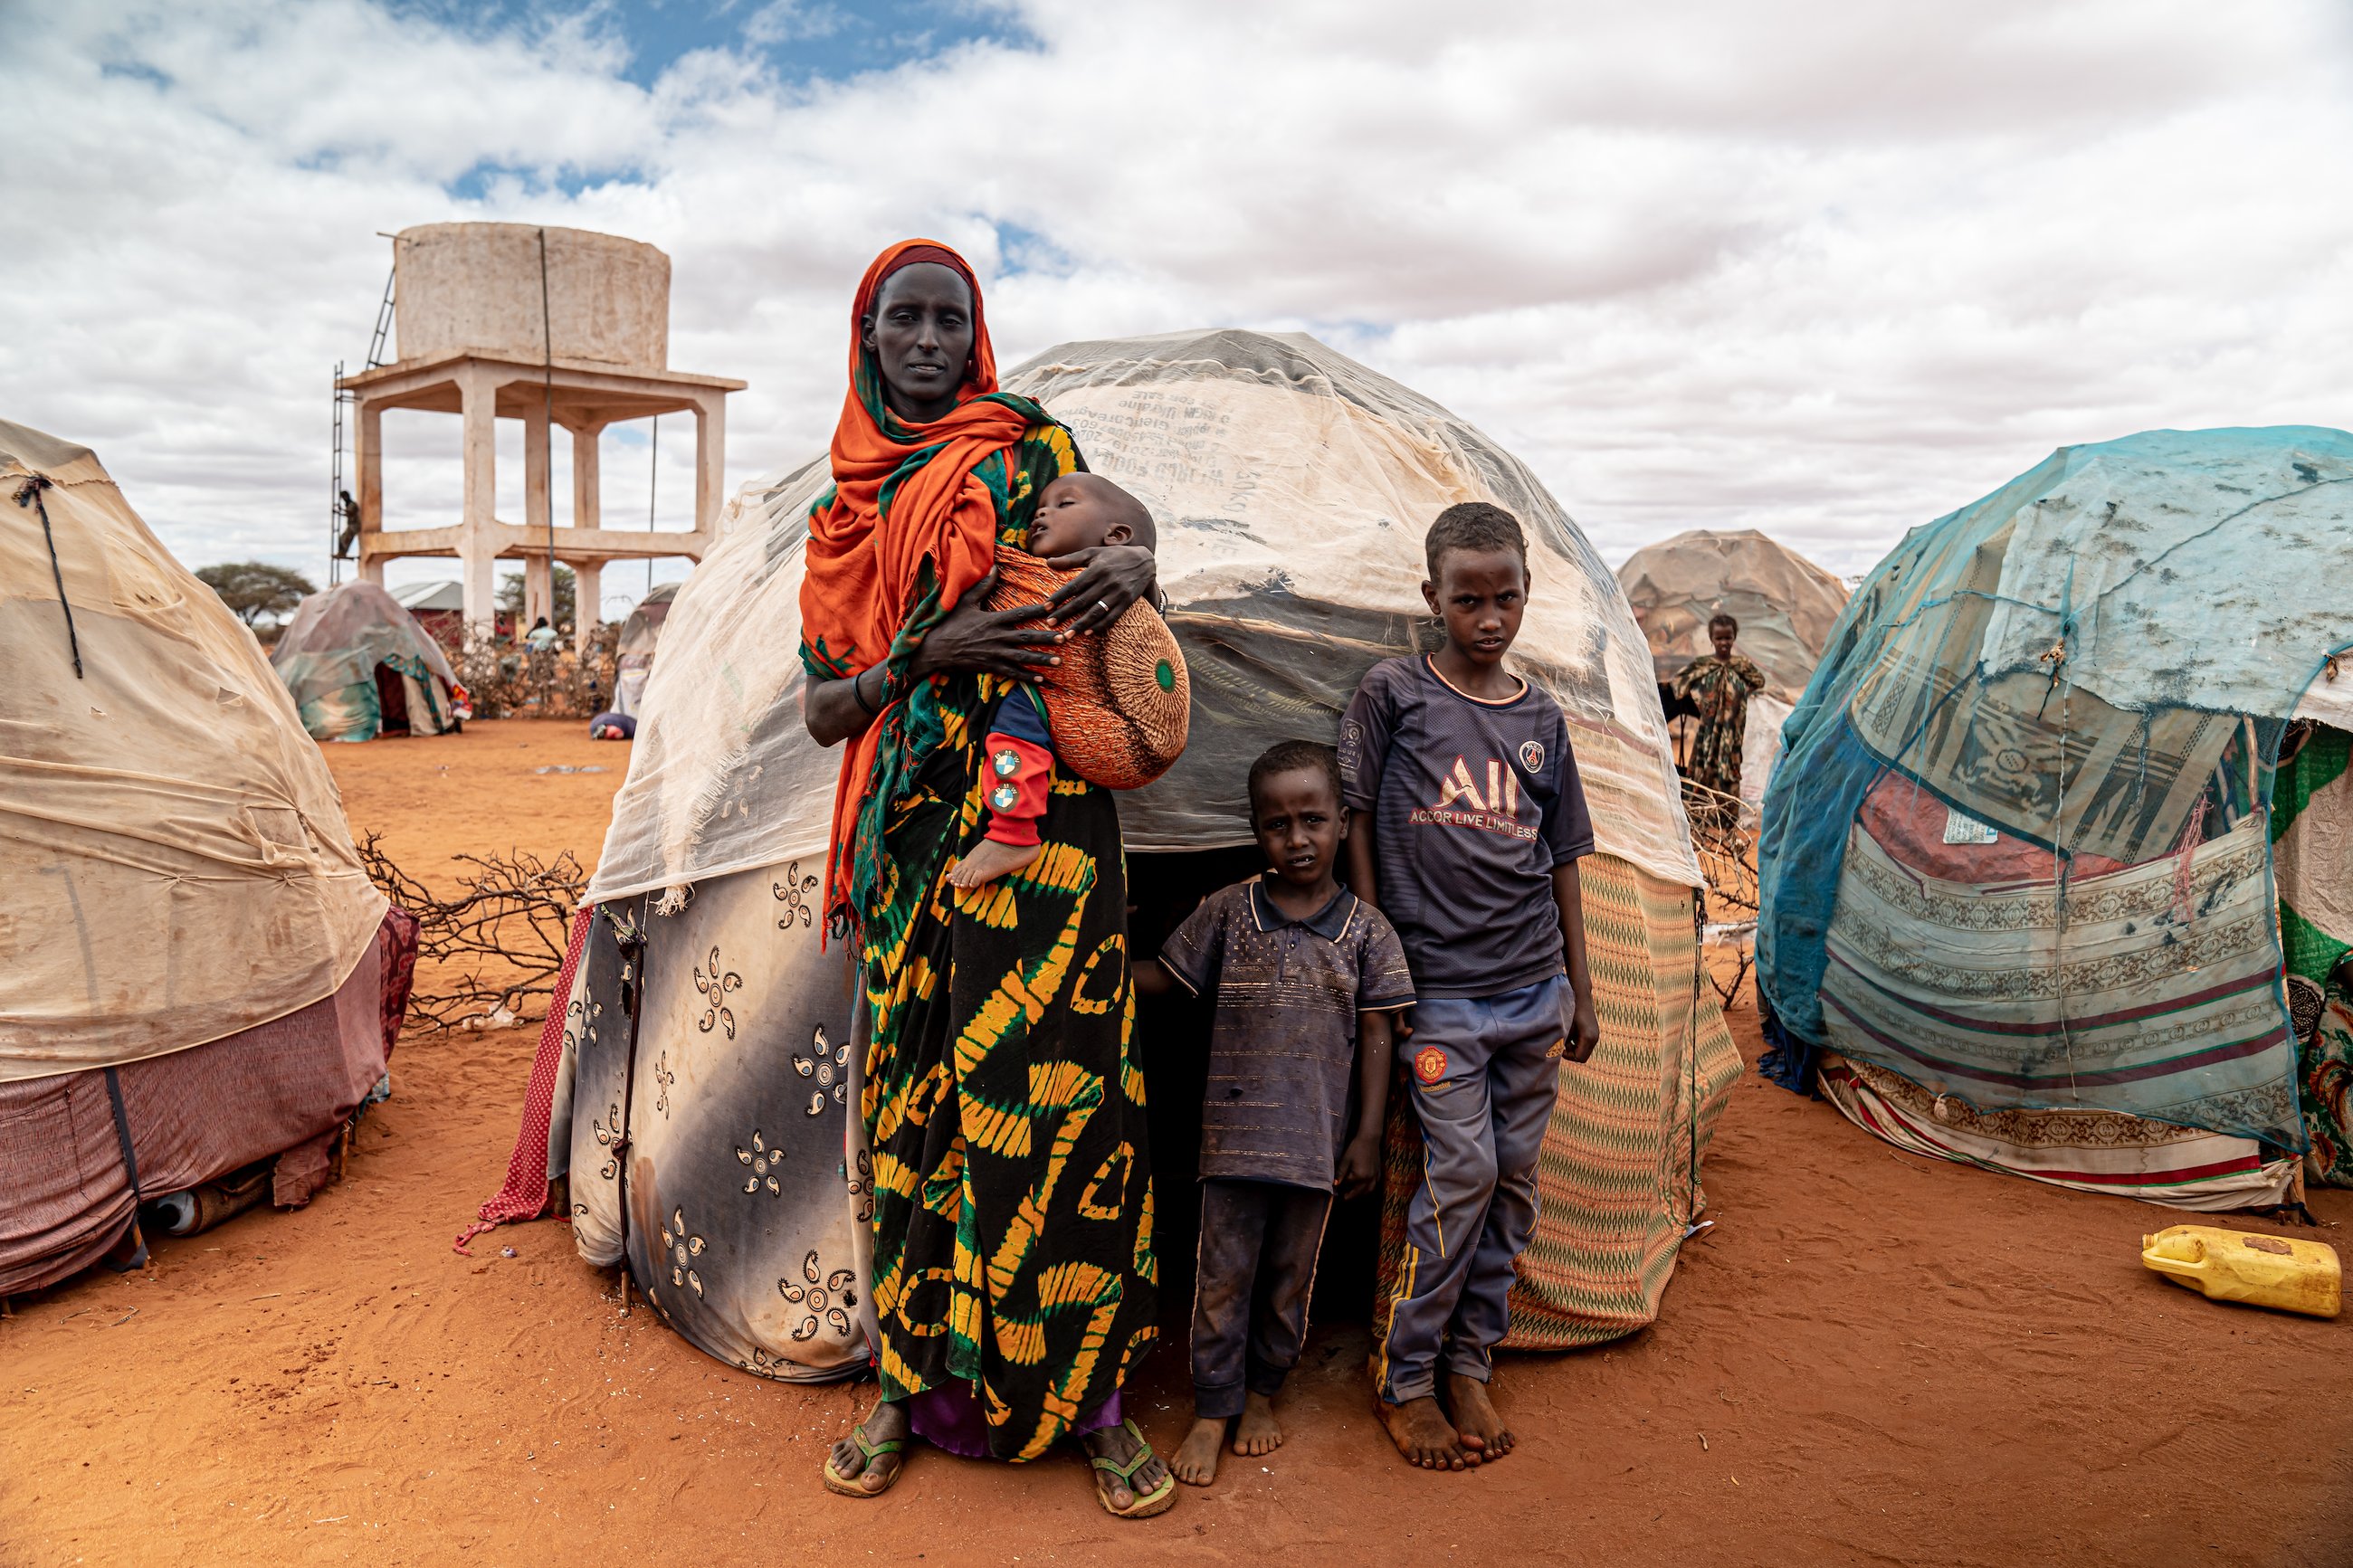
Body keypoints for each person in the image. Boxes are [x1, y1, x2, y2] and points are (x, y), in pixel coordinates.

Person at [797, 240, 1172, 1516]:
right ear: (866, 335)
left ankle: (1097, 1407)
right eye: (902, 319)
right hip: (914, 837)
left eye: (947, 320)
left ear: (976, 334)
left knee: (1060, 1104)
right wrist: (924, 653)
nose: (925, 341)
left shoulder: (1034, 454)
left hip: (1051, 830)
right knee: (918, 1106)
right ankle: (908, 1387)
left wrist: (1145, 560)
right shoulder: (844, 507)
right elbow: (819, 710)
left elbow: (1109, 579)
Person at [1338, 500, 1601, 1472]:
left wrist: (1581, 984)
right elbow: (1355, 816)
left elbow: (1564, 853)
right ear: (1430, 597)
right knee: (1464, 1172)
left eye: (1505, 598)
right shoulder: (1392, 692)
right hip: (1441, 991)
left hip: (1531, 987)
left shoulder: (1538, 715)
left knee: (1516, 1179)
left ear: (1527, 595)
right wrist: (1378, 951)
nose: (1487, 617)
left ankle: (1467, 1357)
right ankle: (1404, 1373)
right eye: (1466, 598)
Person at [1130, 740, 1415, 1487]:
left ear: (1342, 822)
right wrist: (1087, 963)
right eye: (1278, 824)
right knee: (1221, 1276)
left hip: (1314, 1147)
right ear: (1254, 830)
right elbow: (1166, 975)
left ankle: (1262, 1395)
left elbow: (1381, 1029)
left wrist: (1366, 1135)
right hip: (1231, 1142)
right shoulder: (1229, 910)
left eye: (1313, 820)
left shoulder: (1367, 932)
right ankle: (1213, 1407)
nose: (1297, 838)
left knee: (1290, 1279)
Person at [946, 471, 1157, 889]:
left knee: (1016, 718)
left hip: (1115, 731)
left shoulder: (1107, 587)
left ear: (1116, 536)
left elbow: (1145, 642)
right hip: (1100, 718)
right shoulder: (1044, 576)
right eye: (1043, 505)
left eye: (1065, 504)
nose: (1042, 511)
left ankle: (1013, 832)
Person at [1670, 613, 1766, 801]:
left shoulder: (1741, 665)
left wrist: (1742, 692)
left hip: (1733, 727)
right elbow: (1679, 683)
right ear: (1711, 639)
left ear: (1734, 638)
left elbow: (1759, 681)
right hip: (1708, 725)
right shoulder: (1703, 664)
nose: (1724, 643)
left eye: (1728, 638)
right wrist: (1697, 697)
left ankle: (1725, 814)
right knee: (1704, 760)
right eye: (1719, 638)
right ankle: (1700, 809)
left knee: (1730, 764)